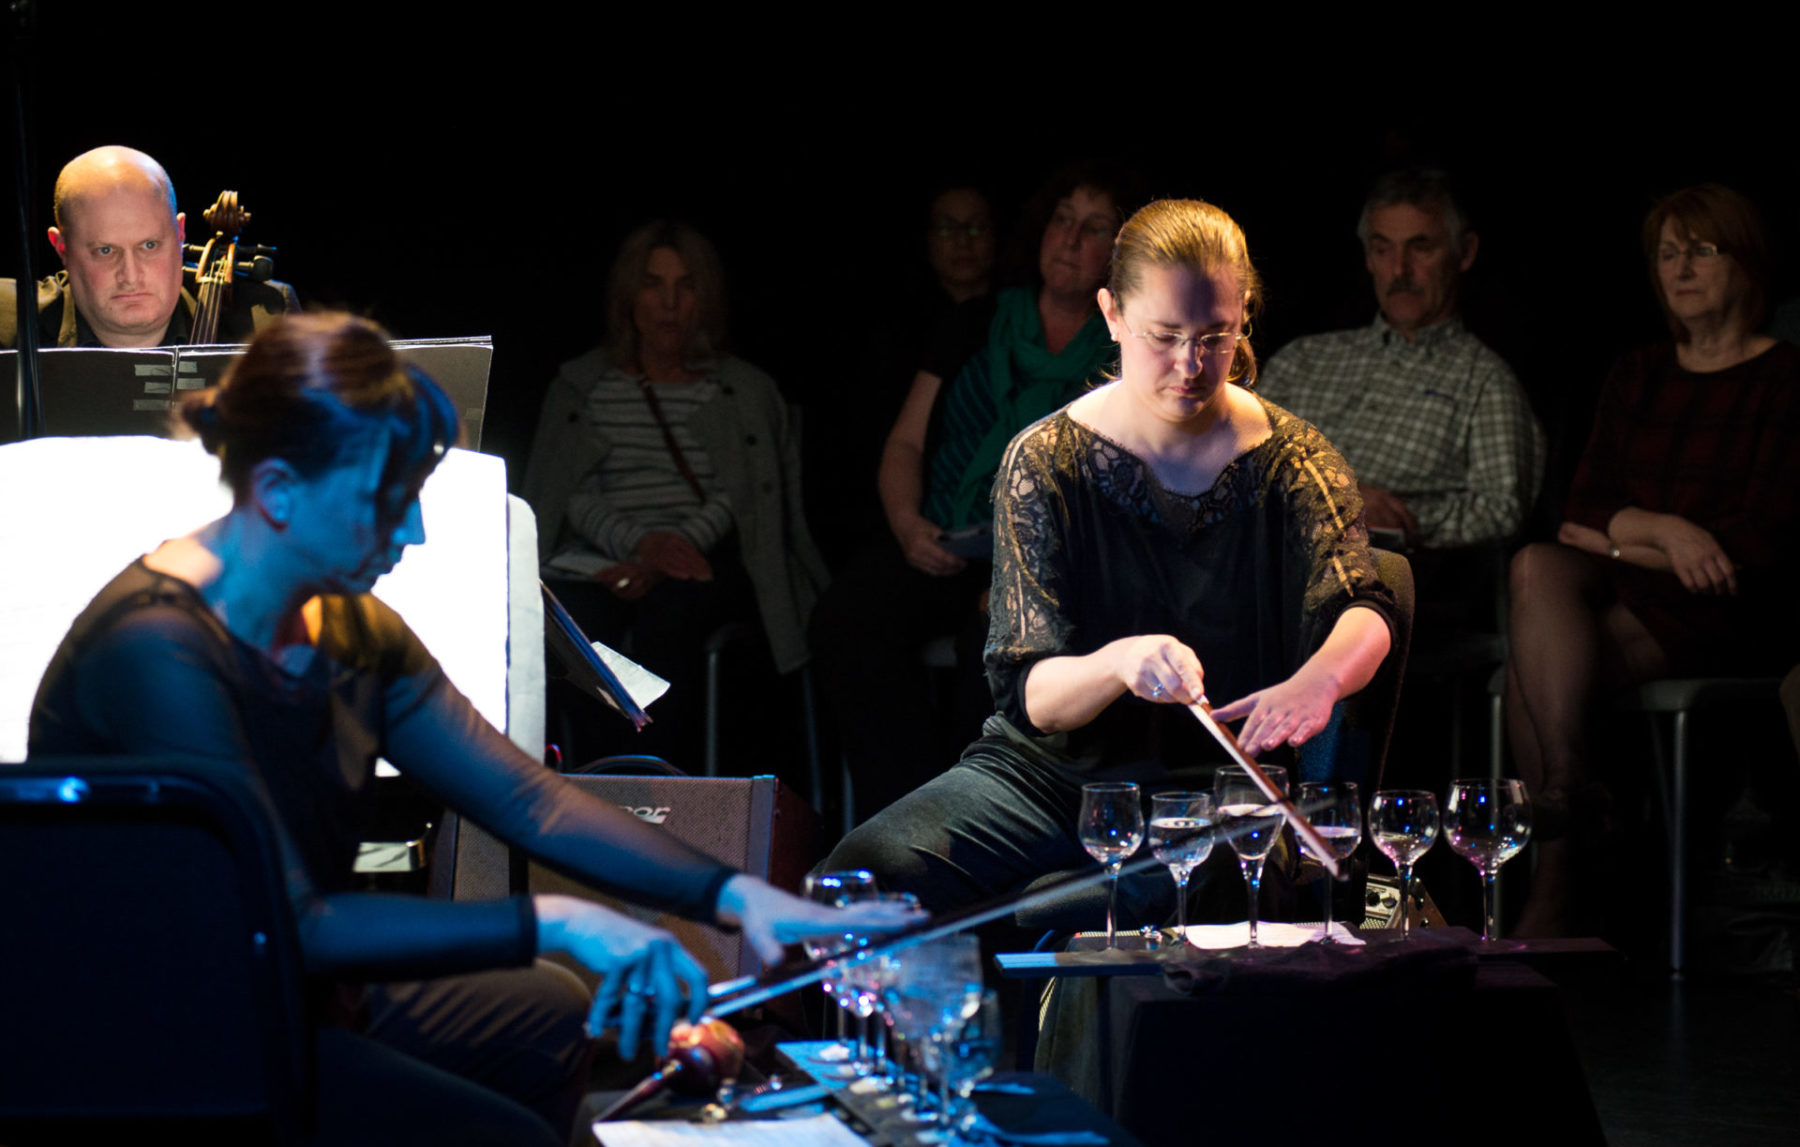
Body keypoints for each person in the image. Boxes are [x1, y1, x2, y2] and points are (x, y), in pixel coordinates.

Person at [28, 313, 905, 1144]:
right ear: (280, 491)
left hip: (289, 992)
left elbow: (530, 799)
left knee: (550, 1010)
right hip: (176, 1026)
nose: (413, 530)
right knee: (502, 1131)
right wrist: (552, 918)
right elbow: (294, 923)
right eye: (389, 500)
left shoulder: (348, 628)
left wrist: (735, 896)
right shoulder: (158, 649)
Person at [823, 199, 1396, 922]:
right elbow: (1033, 694)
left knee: (1204, 885)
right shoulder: (1044, 459)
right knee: (863, 874)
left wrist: (1320, 678)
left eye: (1215, 336)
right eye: (1165, 336)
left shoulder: (1294, 459)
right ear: (1113, 314)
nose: (1191, 364)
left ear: (1243, 315)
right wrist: (1121, 661)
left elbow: (1366, 607)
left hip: (1212, 792)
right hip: (1049, 777)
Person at [1504, 183, 1800, 936]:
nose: (1682, 267)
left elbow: (1753, 544)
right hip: (1613, 588)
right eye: (1668, 253)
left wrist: (1629, 535)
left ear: (1749, 261)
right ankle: (1574, 791)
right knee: (1536, 566)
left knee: (1523, 674)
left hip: (1728, 610)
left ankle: (1562, 872)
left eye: (1702, 249)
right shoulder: (1639, 372)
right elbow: (1576, 518)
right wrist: (1666, 532)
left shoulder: (1784, 378)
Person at [809, 165, 1132, 819]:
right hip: (949, 537)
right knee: (847, 619)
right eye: (1062, 218)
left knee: (995, 634)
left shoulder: (1126, 342)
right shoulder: (977, 321)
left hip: (1050, 560)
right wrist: (906, 525)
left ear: (1121, 255)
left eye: (1094, 227)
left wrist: (1022, 568)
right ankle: (902, 815)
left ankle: (971, 825)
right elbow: (903, 443)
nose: (1069, 238)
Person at [522, 221, 828, 770]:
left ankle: (665, 792)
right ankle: (603, 785)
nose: (668, 303)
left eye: (685, 286)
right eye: (652, 285)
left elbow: (743, 493)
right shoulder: (584, 385)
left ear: (704, 298)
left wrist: (672, 551)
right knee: (575, 628)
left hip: (699, 562)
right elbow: (569, 491)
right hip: (607, 555)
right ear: (627, 296)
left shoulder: (741, 390)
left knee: (670, 627)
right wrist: (640, 545)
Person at [1259, 169, 1542, 550]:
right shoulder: (1303, 359)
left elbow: (1501, 509)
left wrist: (1399, 520)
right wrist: (1338, 495)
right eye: (1383, 248)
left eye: (1420, 247)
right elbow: (1236, 460)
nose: (1399, 270)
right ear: (1368, 258)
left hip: (1377, 570)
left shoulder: (1484, 380)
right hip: (1259, 543)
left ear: (1465, 252)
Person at [1, 145, 296, 349]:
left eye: (149, 245)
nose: (130, 276)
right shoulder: (9, 322)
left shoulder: (265, 321)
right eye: (105, 251)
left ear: (180, 233)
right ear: (61, 248)